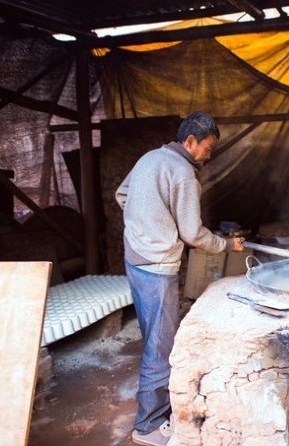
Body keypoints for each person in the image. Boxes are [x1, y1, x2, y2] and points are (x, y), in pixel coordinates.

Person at [116, 111, 244, 446]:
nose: (208, 154)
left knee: (152, 337)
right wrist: (227, 245)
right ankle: (148, 426)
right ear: (189, 141)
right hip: (157, 266)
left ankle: (152, 412)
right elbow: (192, 233)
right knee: (161, 347)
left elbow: (122, 195)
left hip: (135, 258)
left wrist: (144, 226)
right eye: (207, 147)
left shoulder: (149, 158)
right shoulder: (184, 173)